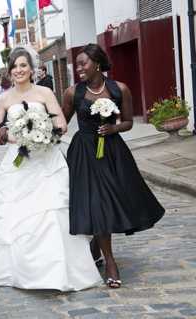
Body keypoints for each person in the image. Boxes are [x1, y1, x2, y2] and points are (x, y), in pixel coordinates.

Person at [0, 47, 102, 291]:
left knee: (52, 213)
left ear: (31, 69)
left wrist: (47, 131)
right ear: (9, 70)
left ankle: (59, 271)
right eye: (14, 66)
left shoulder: (45, 92)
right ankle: (21, 270)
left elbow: (60, 121)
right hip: (18, 163)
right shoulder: (3, 98)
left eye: (23, 65)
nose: (18, 70)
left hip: (47, 161)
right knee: (18, 215)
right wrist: (17, 136)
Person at [62, 43, 165, 289]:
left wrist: (113, 128)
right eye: (77, 65)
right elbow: (61, 123)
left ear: (97, 63)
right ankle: (110, 262)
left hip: (112, 152)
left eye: (83, 63)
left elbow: (128, 121)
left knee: (113, 200)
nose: (79, 69)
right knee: (97, 201)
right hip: (85, 153)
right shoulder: (72, 93)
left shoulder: (120, 89)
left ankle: (96, 247)